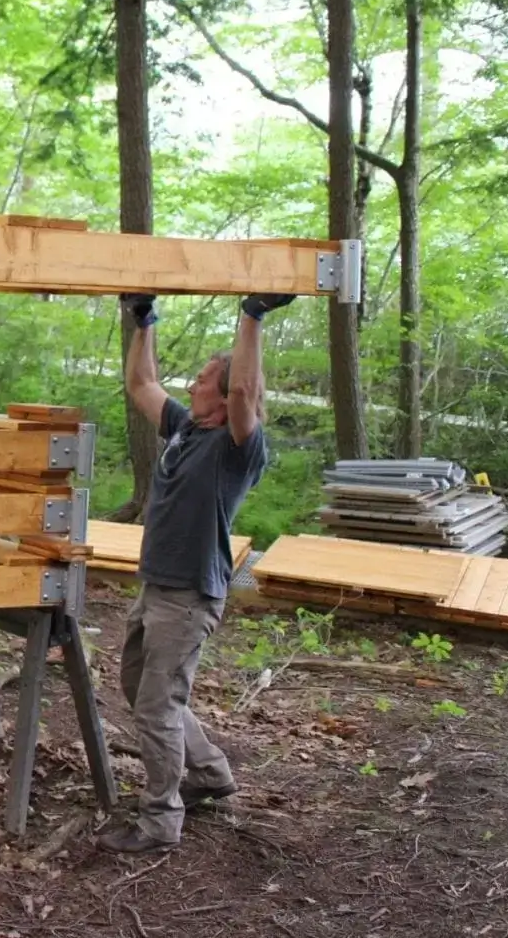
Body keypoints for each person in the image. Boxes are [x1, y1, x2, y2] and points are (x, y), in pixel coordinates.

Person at [96, 289, 295, 854]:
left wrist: (251, 316)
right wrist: (145, 322)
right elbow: (141, 385)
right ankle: (207, 772)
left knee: (157, 706)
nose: (191, 386)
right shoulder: (186, 430)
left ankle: (160, 821)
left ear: (226, 393)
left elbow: (244, 389)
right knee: (141, 689)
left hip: (188, 598)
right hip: (156, 586)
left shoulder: (239, 448)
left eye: (203, 379)